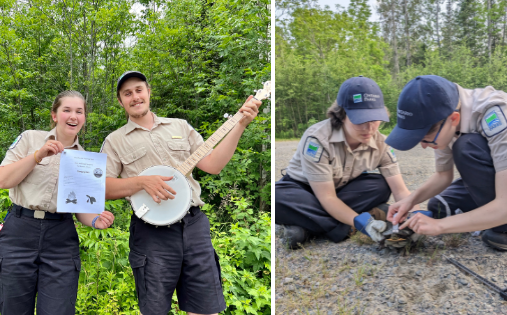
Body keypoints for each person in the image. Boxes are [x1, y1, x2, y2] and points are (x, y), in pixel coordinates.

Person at [101, 71, 260, 315]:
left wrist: (240, 125)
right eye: (127, 93)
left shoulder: (180, 126)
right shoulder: (114, 141)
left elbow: (213, 165)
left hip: (194, 226)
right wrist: (142, 182)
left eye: (139, 90)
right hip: (151, 234)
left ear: (149, 92)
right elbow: (104, 187)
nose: (135, 97)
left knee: (206, 309)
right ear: (120, 101)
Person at [383, 73, 507, 252]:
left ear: (453, 118)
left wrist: (439, 226)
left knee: (467, 146)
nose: (423, 146)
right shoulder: (444, 114)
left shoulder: (498, 114)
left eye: (426, 139)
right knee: (439, 207)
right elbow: (442, 176)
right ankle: (489, 212)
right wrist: (409, 200)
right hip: (503, 171)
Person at [0, 90, 115, 314]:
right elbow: (3, 179)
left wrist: (95, 220)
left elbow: (80, 210)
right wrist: (37, 155)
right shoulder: (30, 138)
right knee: (12, 308)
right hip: (19, 232)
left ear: (84, 118)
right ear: (54, 115)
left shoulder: (86, 160)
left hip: (61, 238)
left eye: (79, 112)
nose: (73, 116)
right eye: (67, 110)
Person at [275, 76, 418, 248]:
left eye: (374, 119)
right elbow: (327, 197)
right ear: (342, 115)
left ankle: (306, 229)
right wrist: (364, 223)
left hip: (342, 192)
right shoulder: (318, 139)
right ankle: (352, 224)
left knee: (380, 185)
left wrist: (416, 216)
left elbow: (400, 190)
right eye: (361, 120)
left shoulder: (382, 144)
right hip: (305, 191)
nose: (369, 128)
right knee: (277, 197)